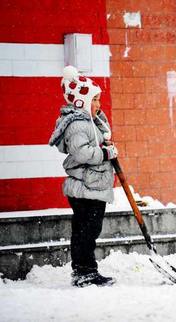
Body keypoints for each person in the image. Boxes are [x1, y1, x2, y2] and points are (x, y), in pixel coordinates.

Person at [49, 66, 118, 287]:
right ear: (82, 101)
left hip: (92, 186)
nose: (99, 104)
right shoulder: (78, 124)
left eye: (99, 99)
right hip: (85, 188)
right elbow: (82, 152)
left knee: (88, 230)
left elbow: (95, 140)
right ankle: (84, 272)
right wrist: (105, 152)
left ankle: (84, 270)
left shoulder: (90, 121)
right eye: (95, 99)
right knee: (86, 232)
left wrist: (105, 142)